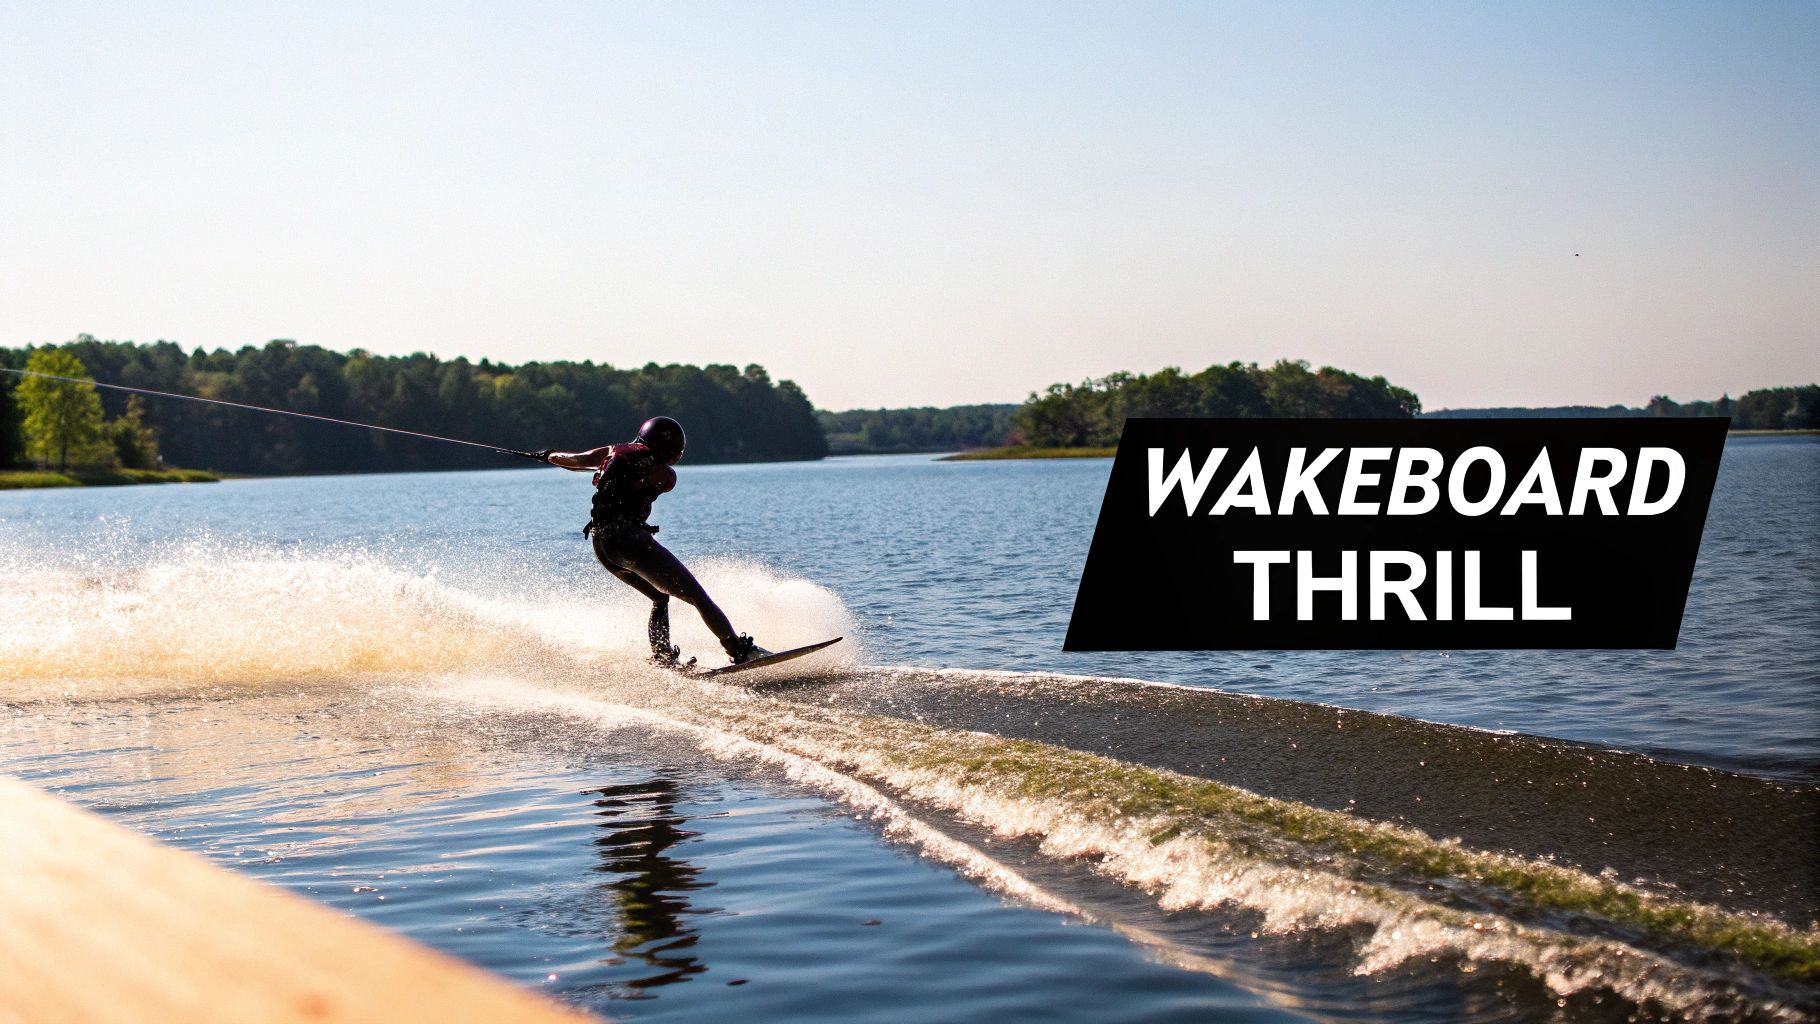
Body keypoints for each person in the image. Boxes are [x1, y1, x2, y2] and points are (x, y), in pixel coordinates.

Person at [538, 416, 771, 668]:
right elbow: (663, 478)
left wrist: (548, 455)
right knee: (697, 596)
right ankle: (738, 649)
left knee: (660, 598)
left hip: (603, 546)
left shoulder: (614, 451)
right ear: (669, 449)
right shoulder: (656, 466)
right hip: (629, 541)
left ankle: (663, 657)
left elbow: (575, 461)